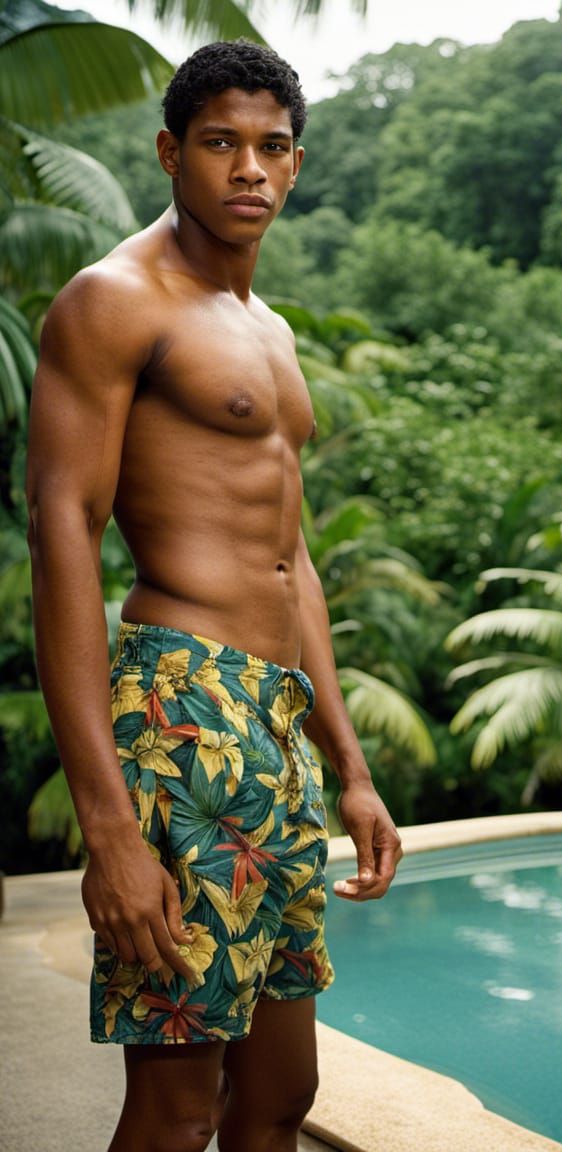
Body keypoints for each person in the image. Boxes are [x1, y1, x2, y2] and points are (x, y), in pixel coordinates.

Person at [26, 39, 402, 1152]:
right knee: (178, 1109)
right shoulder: (112, 302)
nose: (250, 169)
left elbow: (296, 566)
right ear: (169, 153)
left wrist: (352, 766)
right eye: (221, 144)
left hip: (274, 727)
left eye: (273, 147)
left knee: (280, 1099)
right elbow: (62, 539)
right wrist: (109, 825)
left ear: (296, 164)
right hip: (178, 714)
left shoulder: (270, 333)